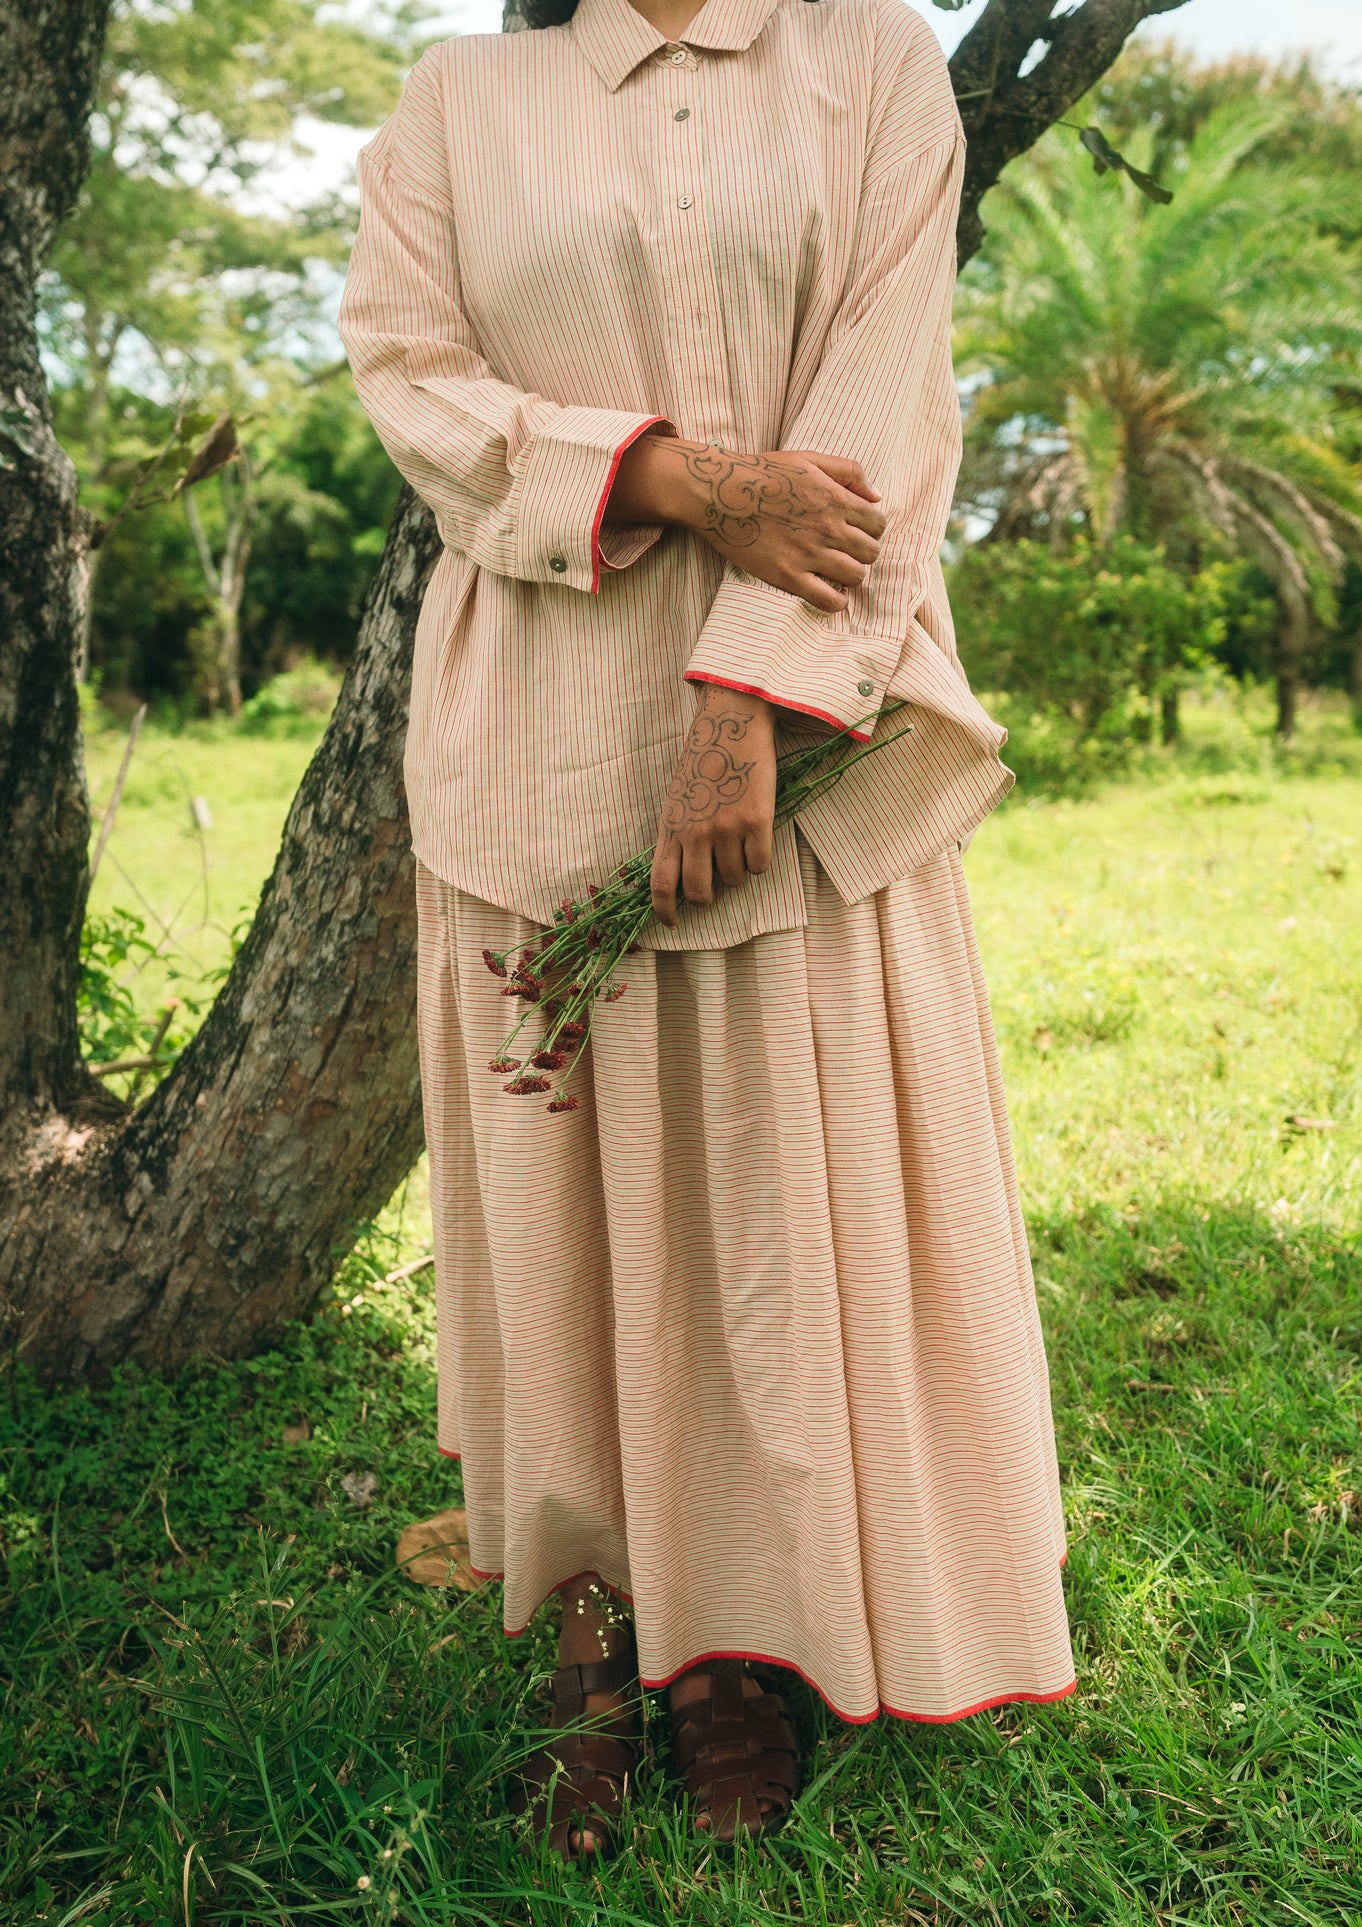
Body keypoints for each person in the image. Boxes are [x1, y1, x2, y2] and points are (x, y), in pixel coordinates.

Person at [339, 0, 1074, 1858]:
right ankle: (598, 1618)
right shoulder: (460, 97)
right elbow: (407, 377)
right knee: (565, 1213)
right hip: (529, 725)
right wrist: (677, 477)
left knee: (770, 1198)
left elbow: (886, 401)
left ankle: (741, 1645)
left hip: (807, 714)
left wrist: (745, 701)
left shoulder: (871, 61)